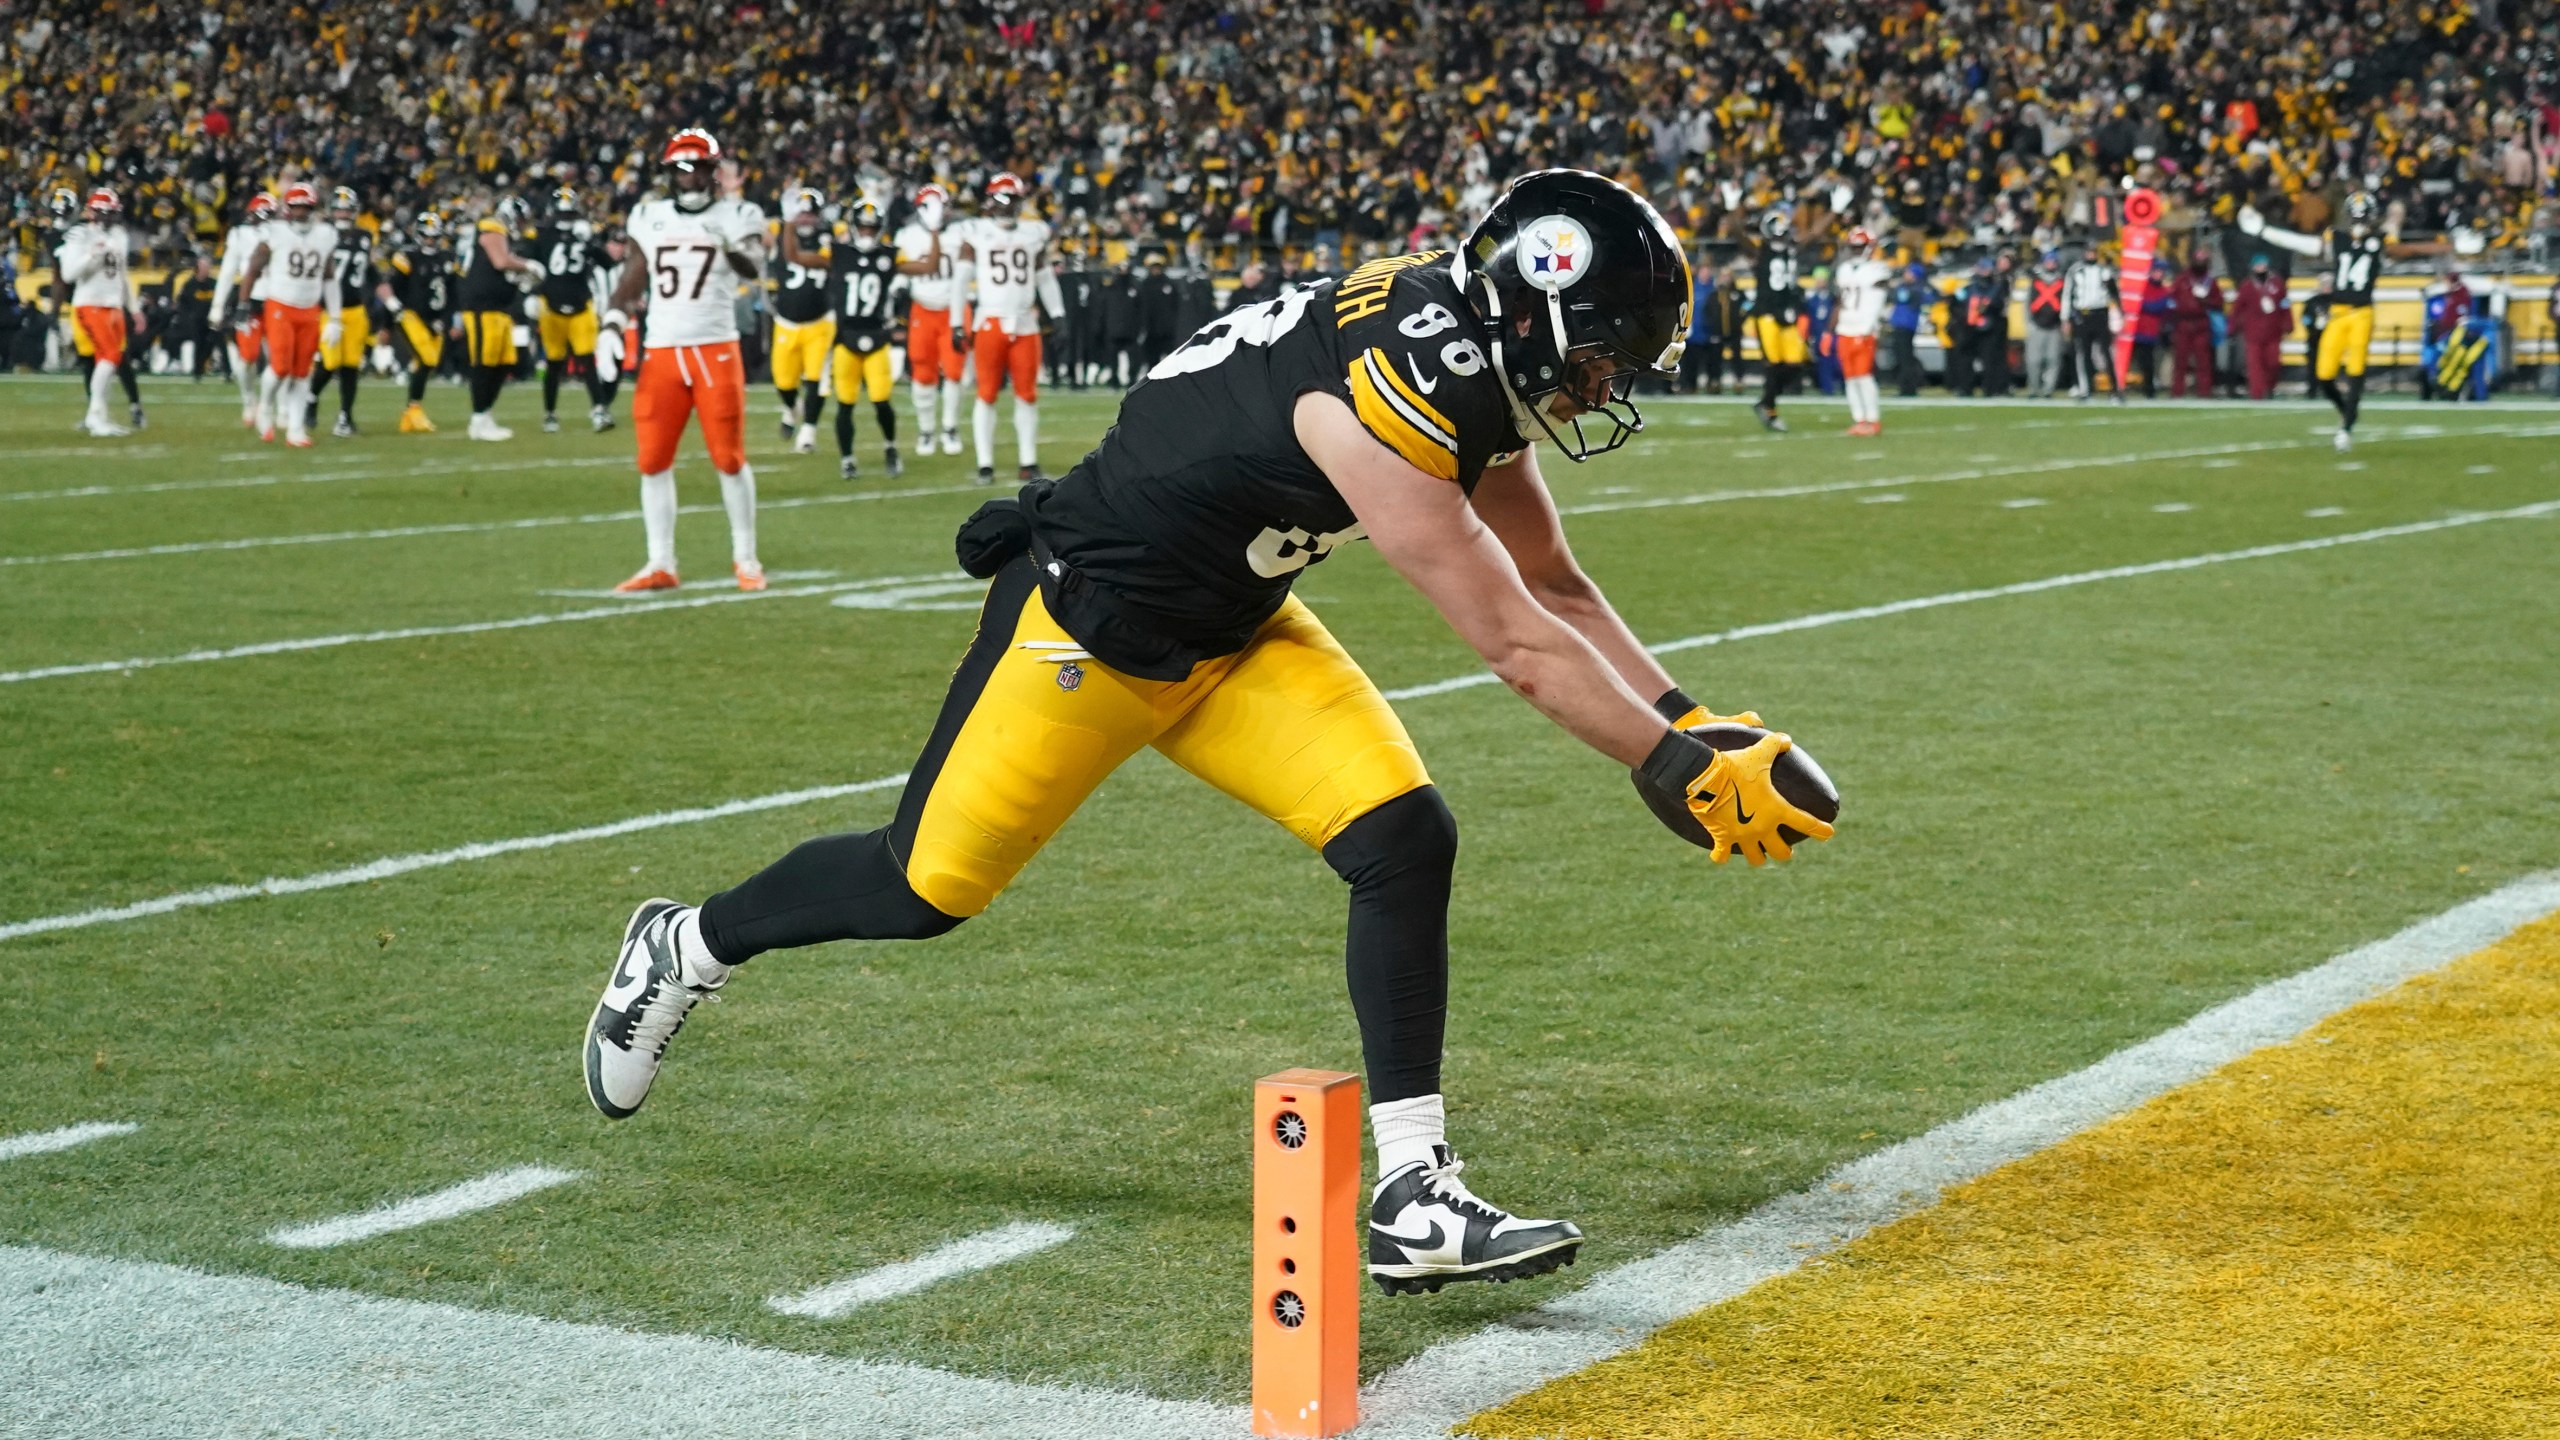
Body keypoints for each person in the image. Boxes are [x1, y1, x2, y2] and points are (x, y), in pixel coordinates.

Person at [580, 169, 1835, 1296]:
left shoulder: (1471, 351)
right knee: (924, 887)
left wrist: (1687, 718)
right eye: (1605, 350)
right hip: (1086, 635)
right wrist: (1666, 766)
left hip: (1233, 628)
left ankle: (1411, 1196)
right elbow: (1508, 641)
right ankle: (686, 942)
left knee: (1404, 838)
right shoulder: (1400, 381)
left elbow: (1555, 580)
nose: (1609, 381)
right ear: (1530, 305)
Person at [598, 127, 768, 594]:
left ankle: (746, 558)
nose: (686, 178)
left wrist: (729, 248)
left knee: (728, 459)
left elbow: (756, 268)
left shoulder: (739, 213)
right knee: (652, 460)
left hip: (715, 348)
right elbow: (634, 275)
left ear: (713, 172)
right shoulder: (649, 215)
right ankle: (660, 562)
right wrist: (613, 321)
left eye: (694, 168)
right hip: (662, 351)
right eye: (678, 169)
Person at [2241, 190, 2390, 450]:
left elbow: (2408, 249)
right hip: (2339, 312)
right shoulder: (2337, 237)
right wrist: (2265, 231)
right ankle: (2347, 413)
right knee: (2323, 373)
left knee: (2356, 369)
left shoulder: (2381, 240)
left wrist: (2452, 244)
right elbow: (2305, 244)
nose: (2358, 221)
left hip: (2362, 312)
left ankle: (2346, 428)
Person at [780, 194, 903, 480]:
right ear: (853, 226)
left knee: (881, 399)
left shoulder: (890, 254)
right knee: (845, 403)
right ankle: (847, 459)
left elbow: (928, 268)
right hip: (846, 338)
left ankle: (890, 447)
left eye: (872, 228)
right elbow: (794, 256)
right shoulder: (838, 254)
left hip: (877, 336)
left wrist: (933, 233)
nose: (867, 233)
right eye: (863, 227)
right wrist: (788, 224)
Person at [953, 172, 1065, 484]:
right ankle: (985, 463)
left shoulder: (1033, 233)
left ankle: (1028, 461)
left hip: (1025, 323)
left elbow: (1044, 277)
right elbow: (960, 281)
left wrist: (1058, 314)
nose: (1006, 207)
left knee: (1027, 394)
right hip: (989, 320)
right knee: (986, 392)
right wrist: (955, 321)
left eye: (1011, 200)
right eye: (1003, 200)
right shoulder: (975, 231)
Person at [232, 182, 343, 447]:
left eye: (306, 208)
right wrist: (243, 304)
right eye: (296, 208)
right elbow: (253, 270)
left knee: (302, 372)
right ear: (287, 209)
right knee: (281, 367)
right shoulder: (275, 232)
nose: (301, 213)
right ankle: (266, 407)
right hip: (280, 305)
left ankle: (295, 428)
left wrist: (336, 317)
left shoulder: (325, 235)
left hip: (310, 308)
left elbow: (329, 278)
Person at [54, 187, 144, 437]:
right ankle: (95, 417)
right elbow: (69, 273)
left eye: (113, 213)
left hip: (113, 304)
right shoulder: (79, 234)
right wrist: (93, 255)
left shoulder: (120, 236)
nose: (111, 218)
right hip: (90, 302)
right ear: (94, 213)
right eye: (106, 213)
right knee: (109, 357)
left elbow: (123, 276)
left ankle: (99, 415)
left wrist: (134, 309)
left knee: (111, 360)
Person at [456, 194, 543, 441]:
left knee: (503, 363)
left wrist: (521, 279)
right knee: (485, 364)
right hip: (482, 306)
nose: (524, 224)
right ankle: (478, 420)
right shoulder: (492, 226)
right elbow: (500, 260)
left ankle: (485, 414)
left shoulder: (505, 236)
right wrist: (528, 266)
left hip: (499, 308)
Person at [531, 186, 615, 433]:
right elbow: (531, 265)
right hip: (551, 306)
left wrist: (589, 242)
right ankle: (549, 413)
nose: (565, 220)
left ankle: (599, 410)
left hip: (581, 304)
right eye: (562, 215)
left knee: (587, 361)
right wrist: (531, 294)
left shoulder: (584, 233)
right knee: (555, 364)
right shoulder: (542, 236)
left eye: (569, 215)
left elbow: (608, 263)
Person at [894, 183, 967, 457]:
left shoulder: (961, 233)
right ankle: (926, 430)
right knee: (922, 372)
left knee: (954, 372)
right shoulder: (907, 235)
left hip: (954, 309)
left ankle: (949, 427)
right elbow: (899, 268)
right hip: (922, 308)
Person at [768, 185, 839, 452]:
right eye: (801, 214)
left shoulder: (829, 239)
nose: (806, 219)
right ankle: (793, 409)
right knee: (783, 383)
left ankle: (808, 431)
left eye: (810, 214)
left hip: (820, 322)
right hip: (786, 321)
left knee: (816, 381)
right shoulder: (777, 233)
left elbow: (796, 256)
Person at [379, 210, 457, 434]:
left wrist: (451, 320)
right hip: (410, 315)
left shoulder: (447, 258)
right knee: (426, 359)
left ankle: (410, 412)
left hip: (436, 319)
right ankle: (413, 411)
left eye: (434, 236)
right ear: (418, 234)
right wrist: (386, 324)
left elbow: (453, 293)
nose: (430, 240)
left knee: (427, 365)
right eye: (426, 235)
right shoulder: (407, 257)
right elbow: (391, 289)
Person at [210, 191, 278, 426]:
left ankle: (281, 407)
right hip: (249, 300)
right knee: (248, 356)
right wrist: (217, 306)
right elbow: (228, 271)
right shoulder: (240, 235)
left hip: (278, 300)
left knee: (279, 357)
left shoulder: (282, 233)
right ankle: (249, 399)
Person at [319, 186, 375, 436]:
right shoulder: (322, 234)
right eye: (338, 209)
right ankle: (310, 400)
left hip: (355, 307)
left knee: (351, 365)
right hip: (328, 309)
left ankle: (345, 417)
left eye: (346, 210)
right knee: (330, 362)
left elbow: (368, 269)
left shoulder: (365, 236)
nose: (342, 214)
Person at [1747, 206, 1806, 430]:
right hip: (1767, 314)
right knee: (1773, 365)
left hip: (1787, 316)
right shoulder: (1760, 253)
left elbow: (1813, 237)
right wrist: (1732, 209)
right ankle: (1770, 410)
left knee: (1796, 364)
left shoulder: (1791, 251)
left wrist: (1834, 213)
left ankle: (1765, 402)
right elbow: (1738, 234)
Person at [1833, 229, 1890, 434]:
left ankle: (1872, 419)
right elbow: (1840, 300)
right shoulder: (1844, 269)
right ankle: (1859, 419)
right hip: (1845, 327)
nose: (1856, 251)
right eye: (1853, 247)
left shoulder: (1877, 270)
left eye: (1859, 247)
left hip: (1863, 329)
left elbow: (1877, 301)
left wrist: (1867, 327)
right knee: (1849, 377)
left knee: (1863, 376)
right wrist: (1830, 330)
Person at [2064, 245, 2123, 403]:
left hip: (2100, 314)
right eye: (2088, 252)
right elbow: (2067, 294)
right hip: (2082, 315)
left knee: (2106, 353)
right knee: (2083, 353)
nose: (2090, 255)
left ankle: (2114, 390)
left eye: (2093, 252)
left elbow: (2114, 293)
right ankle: (2086, 389)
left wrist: (2119, 314)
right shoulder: (2075, 271)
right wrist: (2065, 318)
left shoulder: (2104, 271)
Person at [2231, 253, 2290, 400]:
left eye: (2263, 265)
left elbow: (2284, 304)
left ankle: (2269, 387)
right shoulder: (2247, 285)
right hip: (2253, 332)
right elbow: (2237, 308)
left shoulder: (2277, 284)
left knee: (2273, 363)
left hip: (2273, 330)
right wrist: (2232, 326)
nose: (2260, 268)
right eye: (2258, 265)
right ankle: (2256, 393)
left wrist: (2288, 323)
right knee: (2254, 364)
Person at [2166, 251, 2224, 399]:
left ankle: (2204, 392)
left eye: (2203, 260)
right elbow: (2171, 301)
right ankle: (2177, 392)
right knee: (2180, 360)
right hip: (2183, 324)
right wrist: (2173, 317)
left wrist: (2205, 301)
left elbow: (2218, 303)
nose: (2200, 263)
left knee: (2203, 361)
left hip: (2201, 324)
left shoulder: (2210, 282)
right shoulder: (2182, 280)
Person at [2023, 250, 2066, 397]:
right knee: (2033, 360)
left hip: (2054, 326)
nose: (2051, 264)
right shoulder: (2036, 281)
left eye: (2053, 262)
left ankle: (2048, 389)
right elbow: (2028, 302)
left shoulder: (2062, 281)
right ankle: (2033, 388)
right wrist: (2028, 321)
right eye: (2048, 261)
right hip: (2036, 325)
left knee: (2053, 360)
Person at [1886, 262, 1928, 396]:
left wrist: (1891, 286)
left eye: (1908, 272)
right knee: (1901, 358)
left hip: (1906, 326)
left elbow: (1899, 296)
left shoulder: (1914, 289)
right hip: (1900, 325)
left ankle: (1908, 388)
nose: (1906, 275)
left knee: (1905, 359)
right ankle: (1905, 387)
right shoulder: (1908, 287)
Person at [1678, 258, 1718, 393]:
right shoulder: (1693, 287)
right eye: (1703, 271)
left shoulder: (1714, 288)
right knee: (1691, 362)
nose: (1705, 274)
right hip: (1694, 333)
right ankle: (1689, 385)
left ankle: (1711, 385)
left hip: (1709, 332)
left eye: (1707, 271)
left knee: (1711, 363)